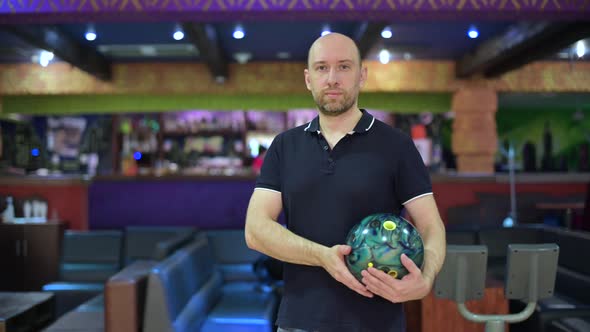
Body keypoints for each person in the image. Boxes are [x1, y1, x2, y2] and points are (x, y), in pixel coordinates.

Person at [244, 32, 446, 332]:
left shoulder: (397, 146)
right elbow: (256, 230)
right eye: (322, 68)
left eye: (344, 66)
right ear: (308, 78)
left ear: (362, 76)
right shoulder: (284, 146)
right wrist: (323, 257)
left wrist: (425, 280)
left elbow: (431, 226)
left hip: (378, 322)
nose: (332, 78)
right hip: (300, 321)